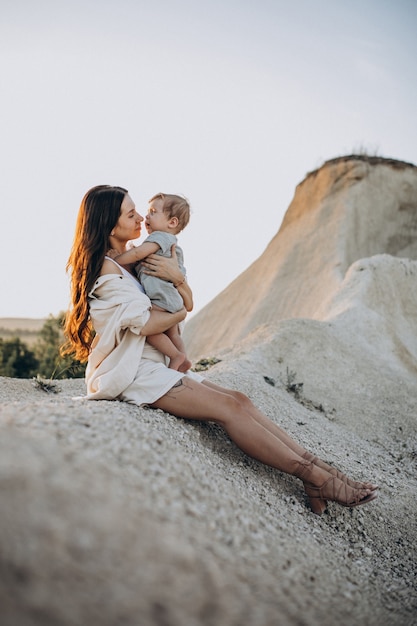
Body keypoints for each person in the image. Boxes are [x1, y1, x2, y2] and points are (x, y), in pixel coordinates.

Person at [62, 185, 378, 516]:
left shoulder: (137, 260)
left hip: (157, 363)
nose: (141, 216)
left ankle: (324, 471)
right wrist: (180, 307)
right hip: (134, 372)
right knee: (229, 408)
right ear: (109, 225)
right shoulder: (105, 267)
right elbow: (148, 322)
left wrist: (177, 280)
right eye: (131, 214)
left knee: (241, 400)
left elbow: (183, 298)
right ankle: (313, 477)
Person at [109, 192, 192, 372]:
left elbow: (138, 255)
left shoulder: (159, 238)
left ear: (172, 222)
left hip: (161, 298)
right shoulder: (169, 243)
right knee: (173, 333)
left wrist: (117, 260)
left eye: (153, 212)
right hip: (170, 298)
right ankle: (183, 360)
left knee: (148, 324)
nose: (146, 216)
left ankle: (176, 356)